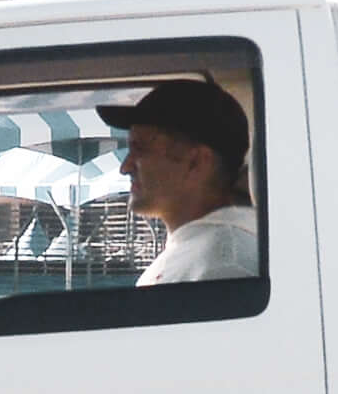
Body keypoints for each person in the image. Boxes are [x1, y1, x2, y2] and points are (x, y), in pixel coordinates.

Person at [110, 75, 259, 285]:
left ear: (197, 162)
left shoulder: (223, 266)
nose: (124, 168)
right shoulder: (203, 252)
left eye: (140, 149)